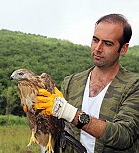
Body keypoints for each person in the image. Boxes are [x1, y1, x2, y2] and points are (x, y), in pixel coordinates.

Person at [36, 14, 139, 152]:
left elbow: (123, 136)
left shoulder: (134, 86)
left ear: (123, 49)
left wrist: (68, 112)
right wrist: (36, 112)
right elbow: (57, 132)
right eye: (95, 40)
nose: (98, 48)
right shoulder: (71, 83)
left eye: (107, 43)